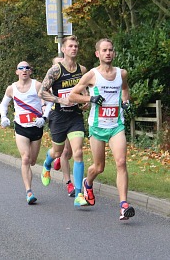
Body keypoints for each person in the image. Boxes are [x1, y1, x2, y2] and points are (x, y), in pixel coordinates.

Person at [69, 38, 135, 220]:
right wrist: (90, 99)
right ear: (97, 54)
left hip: (116, 126)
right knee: (99, 167)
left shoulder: (122, 73)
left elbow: (125, 89)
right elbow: (73, 95)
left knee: (121, 162)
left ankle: (123, 205)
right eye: (104, 50)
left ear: (114, 53)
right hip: (97, 127)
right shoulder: (91, 75)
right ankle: (87, 183)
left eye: (111, 50)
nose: (108, 53)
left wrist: (126, 102)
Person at [38, 35, 89, 207]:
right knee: (57, 152)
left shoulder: (82, 70)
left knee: (78, 153)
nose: (74, 48)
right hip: (59, 116)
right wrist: (61, 100)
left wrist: (85, 102)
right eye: (70, 46)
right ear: (64, 49)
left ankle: (78, 194)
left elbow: (85, 92)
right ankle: (46, 164)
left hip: (75, 116)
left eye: (76, 46)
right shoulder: (55, 70)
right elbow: (41, 92)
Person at [0, 61, 49, 204]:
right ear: (17, 72)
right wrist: (4, 117)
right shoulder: (11, 88)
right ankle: (29, 192)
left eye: (27, 68)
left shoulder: (37, 85)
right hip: (21, 126)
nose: (24, 70)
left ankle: (47, 161)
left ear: (30, 71)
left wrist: (44, 117)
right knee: (25, 158)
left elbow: (50, 101)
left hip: (36, 126)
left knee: (33, 161)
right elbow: (3, 104)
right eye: (21, 68)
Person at [48, 57, 75, 197]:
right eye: (57, 63)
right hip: (57, 118)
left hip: (72, 117)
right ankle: (68, 183)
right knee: (63, 152)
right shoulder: (50, 81)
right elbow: (43, 98)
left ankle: (58, 158)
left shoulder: (70, 77)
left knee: (69, 153)